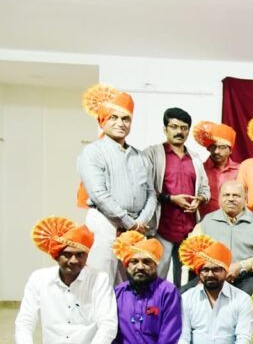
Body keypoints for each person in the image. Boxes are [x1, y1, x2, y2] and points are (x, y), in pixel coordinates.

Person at [77, 84, 157, 283]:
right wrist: (129, 222)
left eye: (125, 119)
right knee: (100, 280)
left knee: (130, 283)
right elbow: (98, 195)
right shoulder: (93, 152)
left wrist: (140, 221)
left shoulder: (140, 156)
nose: (120, 123)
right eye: (114, 117)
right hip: (105, 223)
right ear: (102, 120)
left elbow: (151, 193)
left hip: (136, 227)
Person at [145, 108, 211, 286]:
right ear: (165, 129)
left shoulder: (195, 158)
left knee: (186, 281)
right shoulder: (152, 154)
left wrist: (200, 199)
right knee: (156, 277)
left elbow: (205, 189)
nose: (179, 132)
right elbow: (144, 189)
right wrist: (170, 199)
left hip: (189, 229)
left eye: (183, 128)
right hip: (161, 228)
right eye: (174, 127)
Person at [191, 181, 253, 294]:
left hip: (244, 277)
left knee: (246, 297)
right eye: (226, 195)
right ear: (219, 199)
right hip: (210, 276)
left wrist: (242, 266)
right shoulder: (206, 221)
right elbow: (191, 252)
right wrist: (211, 268)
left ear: (245, 199)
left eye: (236, 195)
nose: (231, 199)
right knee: (181, 295)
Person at [194, 121, 240, 217]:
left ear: (230, 150)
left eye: (222, 147)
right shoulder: (200, 169)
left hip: (233, 221)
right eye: (213, 147)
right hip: (205, 221)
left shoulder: (240, 170)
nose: (216, 151)